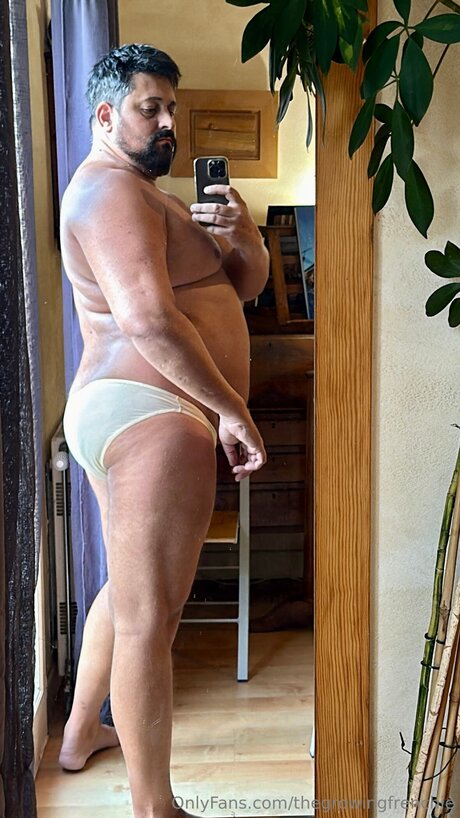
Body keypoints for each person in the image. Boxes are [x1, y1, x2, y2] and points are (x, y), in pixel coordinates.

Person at [58, 43, 269, 818]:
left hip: (139, 411)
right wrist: (230, 408)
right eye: (151, 108)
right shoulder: (109, 192)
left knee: (129, 593)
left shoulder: (149, 195)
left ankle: (80, 733)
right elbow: (147, 319)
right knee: (152, 617)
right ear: (106, 114)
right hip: (154, 412)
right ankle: (155, 808)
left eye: (171, 109)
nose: (168, 123)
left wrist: (243, 235)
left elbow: (240, 285)